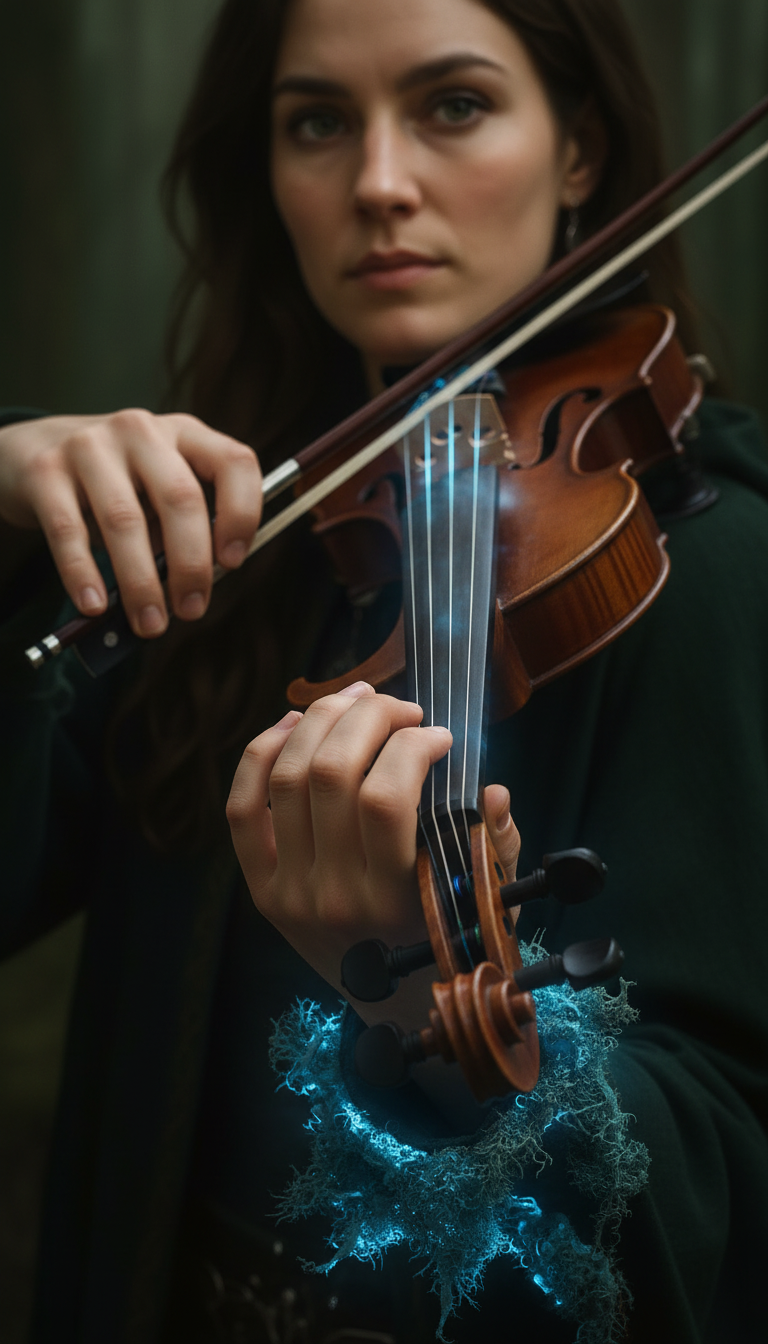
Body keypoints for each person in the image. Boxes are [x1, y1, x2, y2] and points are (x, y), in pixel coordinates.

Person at [1, 1, 767, 1341]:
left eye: (454, 105)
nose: (377, 183)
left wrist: (425, 989)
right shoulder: (226, 548)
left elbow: (715, 1190)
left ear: (579, 151)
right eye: (316, 122)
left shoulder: (708, 566)